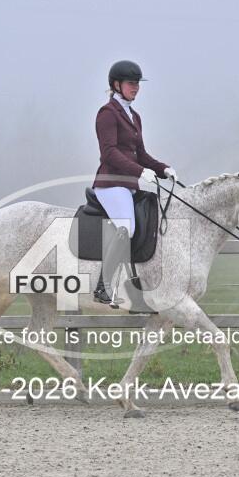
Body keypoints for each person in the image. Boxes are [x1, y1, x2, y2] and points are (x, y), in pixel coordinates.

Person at [92, 60, 178, 309]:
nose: (136, 87)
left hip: (129, 184)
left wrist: (162, 169)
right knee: (126, 228)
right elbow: (109, 153)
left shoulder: (134, 116)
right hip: (111, 183)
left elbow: (140, 154)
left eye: (138, 83)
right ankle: (103, 286)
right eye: (131, 83)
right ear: (116, 85)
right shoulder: (107, 114)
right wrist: (140, 172)